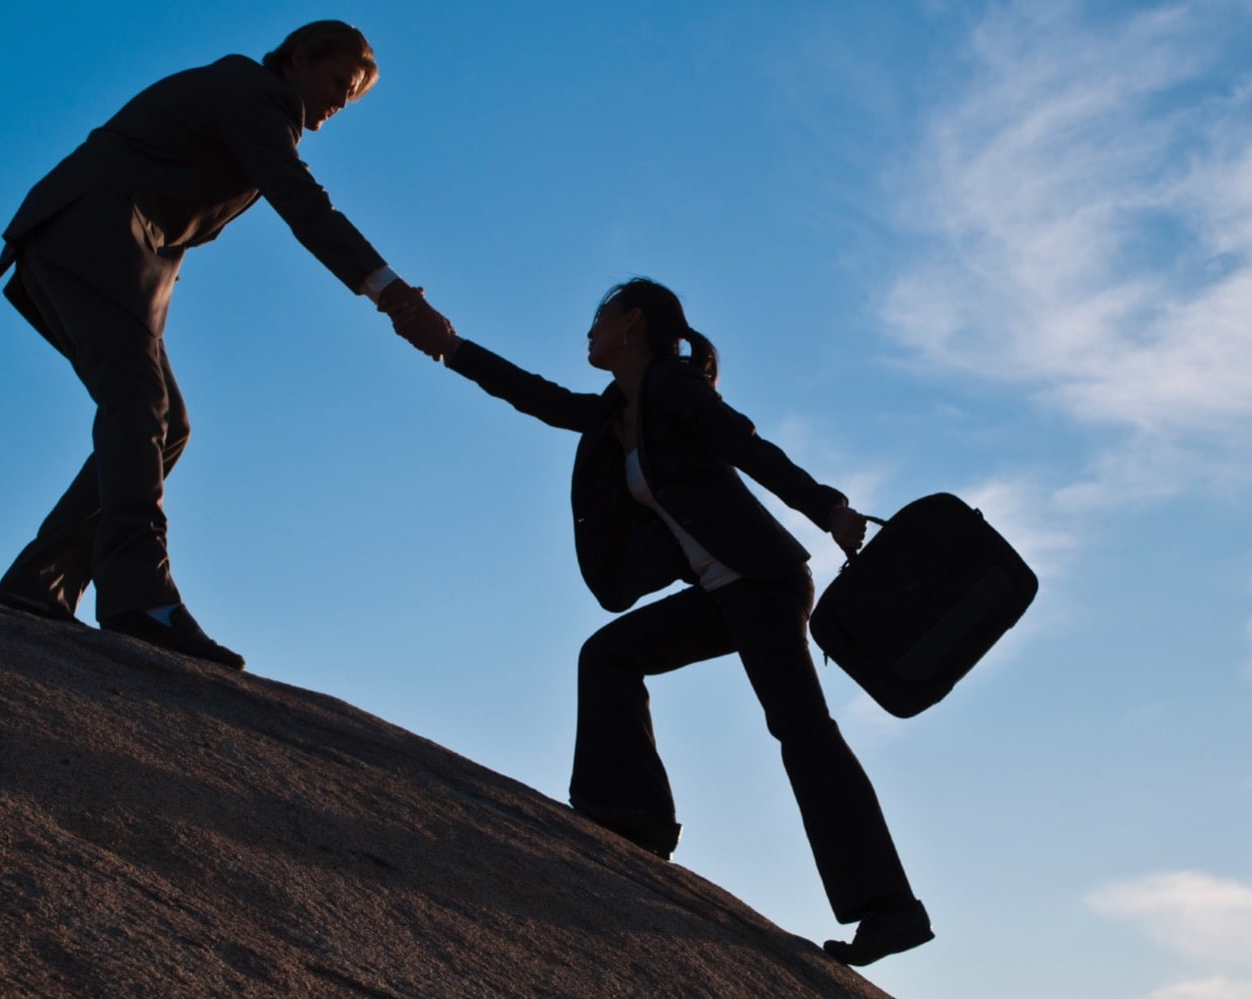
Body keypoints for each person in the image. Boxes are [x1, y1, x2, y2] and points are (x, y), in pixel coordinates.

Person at [392, 278, 933, 966]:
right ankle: (632, 817)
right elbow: (537, 396)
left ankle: (891, 909)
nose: (587, 331)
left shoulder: (674, 387)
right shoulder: (618, 409)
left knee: (802, 731)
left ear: (631, 322)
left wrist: (828, 508)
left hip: (762, 581)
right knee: (610, 655)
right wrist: (451, 347)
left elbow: (745, 446)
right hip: (721, 592)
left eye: (599, 318)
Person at [0, 21, 452, 669]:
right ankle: (139, 595)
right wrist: (396, 296)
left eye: (354, 96)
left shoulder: (253, 103)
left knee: (166, 422)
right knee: (140, 402)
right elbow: (306, 208)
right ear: (295, 59)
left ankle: (41, 582)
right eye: (339, 83)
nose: (341, 102)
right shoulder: (254, 96)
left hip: (105, 249)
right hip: (88, 232)